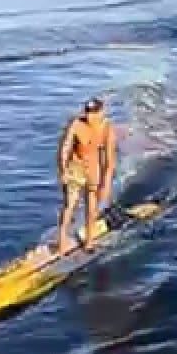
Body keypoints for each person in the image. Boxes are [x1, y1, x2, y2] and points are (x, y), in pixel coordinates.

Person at [56, 96, 117, 255]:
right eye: (88, 112)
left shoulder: (107, 128)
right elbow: (64, 148)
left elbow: (109, 160)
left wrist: (106, 184)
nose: (90, 116)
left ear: (101, 112)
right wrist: (63, 170)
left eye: (94, 113)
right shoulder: (76, 124)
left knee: (92, 206)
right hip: (75, 168)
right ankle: (61, 241)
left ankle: (89, 241)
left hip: (93, 170)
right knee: (69, 204)